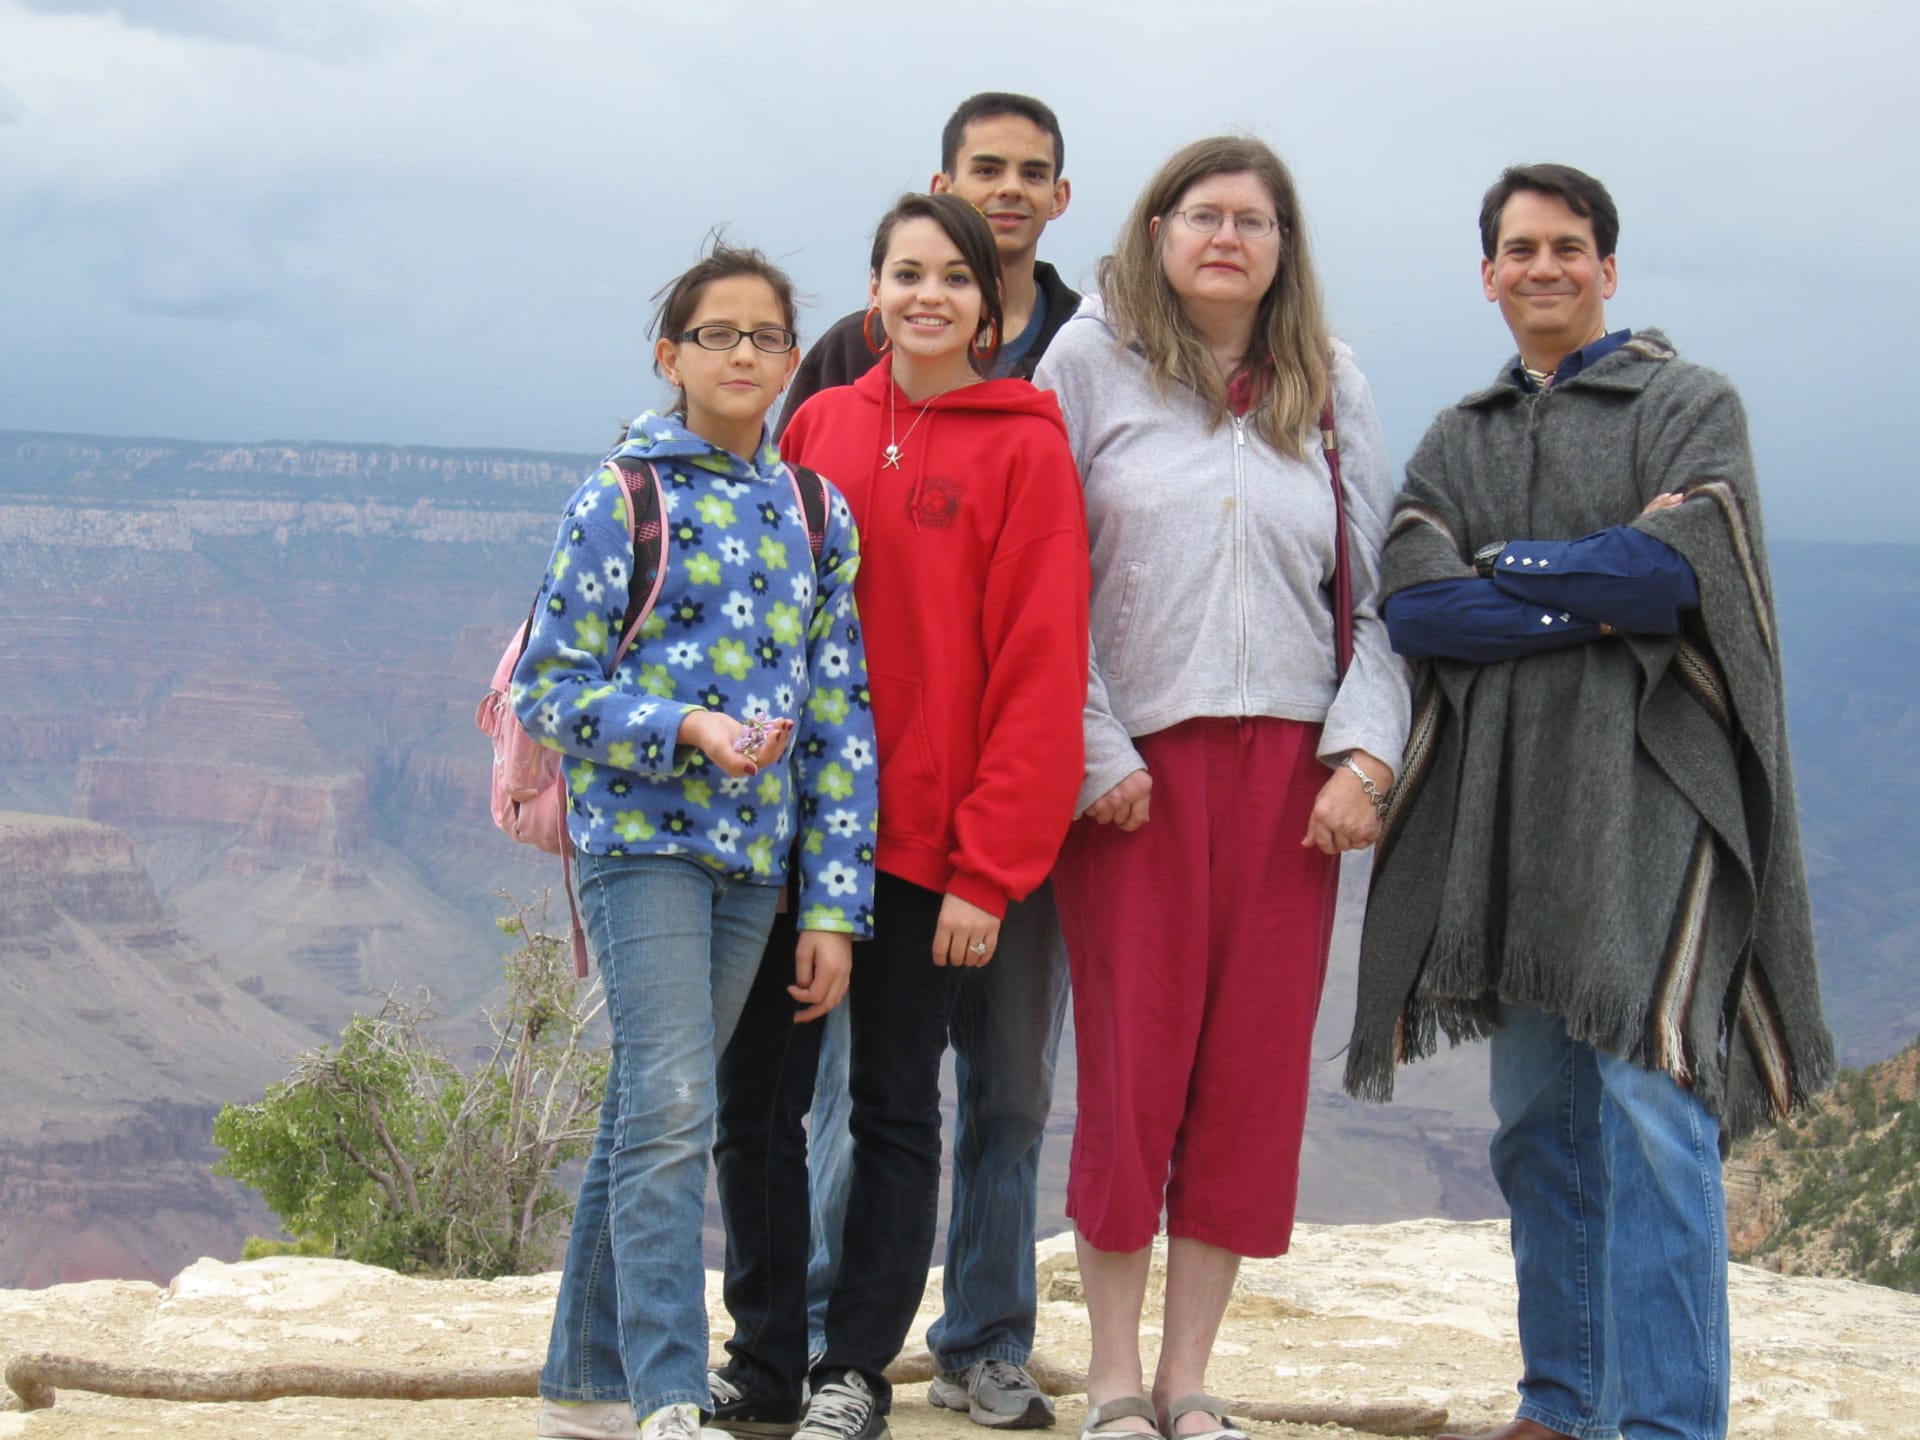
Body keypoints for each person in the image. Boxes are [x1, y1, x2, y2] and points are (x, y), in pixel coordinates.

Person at [1344, 164, 1833, 1440]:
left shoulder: (1688, 403)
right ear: (1490, 273)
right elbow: (1418, 602)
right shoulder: (1463, 435)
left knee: (1655, 1120)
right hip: (1508, 825)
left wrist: (1506, 565)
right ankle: (1561, 1402)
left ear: (1608, 269)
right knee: (1535, 1128)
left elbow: (1681, 584)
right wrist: (1586, 574)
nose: (1544, 267)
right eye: (1520, 248)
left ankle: (1671, 1423)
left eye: (1569, 246)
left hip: (1651, 809)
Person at [1033, 136, 1408, 1440]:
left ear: (1282, 247)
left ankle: (1191, 1382)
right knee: (1135, 1075)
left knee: (1247, 1080)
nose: (1227, 238)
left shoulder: (1331, 380)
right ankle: (1115, 1379)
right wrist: (1091, 746)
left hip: (1294, 781)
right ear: (1158, 230)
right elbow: (1045, 570)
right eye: (1204, 214)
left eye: (1253, 219)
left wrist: (1366, 754)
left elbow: (1378, 591)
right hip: (1136, 774)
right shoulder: (1089, 364)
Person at [722, 90, 1082, 1434]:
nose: (930, 296)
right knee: (766, 1102)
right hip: (800, 839)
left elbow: (1039, 676)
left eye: (954, 280)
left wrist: (991, 869)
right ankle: (769, 1356)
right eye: (905, 273)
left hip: (933, 848)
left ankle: (854, 1368)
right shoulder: (814, 427)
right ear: (873, 295)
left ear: (992, 312)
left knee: (894, 1110)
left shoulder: (1026, 451)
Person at [515, 242, 878, 1440]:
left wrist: (831, 907)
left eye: (766, 337)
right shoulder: (621, 498)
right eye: (715, 335)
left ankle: (582, 1389)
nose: (743, 356)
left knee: (650, 1110)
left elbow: (839, 719)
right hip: (641, 845)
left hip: (755, 864)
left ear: (791, 359)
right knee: (673, 1103)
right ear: (668, 356)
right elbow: (549, 690)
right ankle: (669, 1397)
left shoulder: (816, 514)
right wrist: (685, 724)